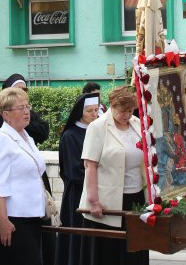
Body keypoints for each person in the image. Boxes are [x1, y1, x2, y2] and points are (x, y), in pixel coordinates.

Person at [79, 85, 148, 265]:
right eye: (122, 111)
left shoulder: (136, 124)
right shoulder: (97, 127)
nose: (126, 115)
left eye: (130, 110)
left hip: (137, 196)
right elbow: (90, 166)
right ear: (112, 105)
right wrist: (93, 201)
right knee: (110, 253)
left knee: (135, 249)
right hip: (108, 201)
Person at [0, 73, 55, 265]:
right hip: (13, 218)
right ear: (6, 114)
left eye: (28, 106)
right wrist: (3, 221)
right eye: (21, 108)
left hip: (31, 214)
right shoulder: (0, 139)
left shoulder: (26, 136)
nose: (27, 112)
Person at [55, 92, 99, 265]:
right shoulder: (70, 136)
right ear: (80, 111)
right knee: (77, 236)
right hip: (77, 194)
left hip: (94, 190)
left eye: (96, 110)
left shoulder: (96, 131)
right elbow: (73, 171)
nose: (94, 114)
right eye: (90, 111)